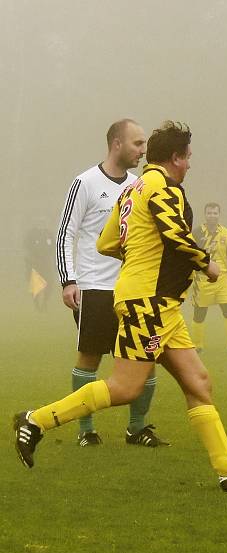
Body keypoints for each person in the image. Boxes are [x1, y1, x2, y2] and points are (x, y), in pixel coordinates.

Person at [14, 121, 227, 492]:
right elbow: (175, 233)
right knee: (125, 387)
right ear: (175, 158)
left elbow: (106, 242)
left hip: (160, 304)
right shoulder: (161, 187)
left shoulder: (132, 190)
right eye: (187, 158)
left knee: (199, 382)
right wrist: (208, 263)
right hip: (147, 303)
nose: (189, 165)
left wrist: (136, 251)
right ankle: (36, 420)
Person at [55, 119, 165, 447]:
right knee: (90, 358)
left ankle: (137, 428)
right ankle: (85, 430)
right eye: (137, 143)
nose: (143, 151)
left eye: (144, 144)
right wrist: (68, 280)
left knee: (147, 359)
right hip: (94, 288)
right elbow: (66, 233)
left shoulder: (139, 186)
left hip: (133, 289)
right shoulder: (85, 182)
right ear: (116, 144)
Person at [191, 202, 227, 354]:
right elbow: (190, 255)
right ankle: (197, 346)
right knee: (199, 314)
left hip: (223, 280)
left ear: (219, 215)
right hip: (202, 280)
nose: (212, 216)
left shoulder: (226, 234)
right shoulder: (197, 233)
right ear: (205, 214)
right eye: (209, 213)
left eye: (215, 213)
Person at [24, 222, 54, 312]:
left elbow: (53, 247)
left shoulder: (48, 233)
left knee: (50, 282)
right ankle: (36, 305)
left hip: (46, 263)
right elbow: (26, 246)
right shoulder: (32, 234)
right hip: (35, 263)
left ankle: (44, 302)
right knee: (35, 285)